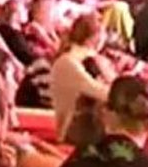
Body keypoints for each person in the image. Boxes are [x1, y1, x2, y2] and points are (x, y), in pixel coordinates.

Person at [48, 13, 112, 143]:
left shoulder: (86, 59)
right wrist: (109, 75)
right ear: (94, 38)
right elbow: (105, 93)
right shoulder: (70, 61)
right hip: (73, 129)